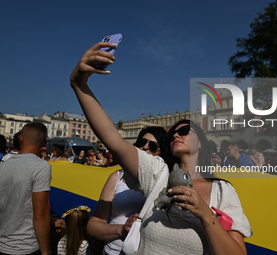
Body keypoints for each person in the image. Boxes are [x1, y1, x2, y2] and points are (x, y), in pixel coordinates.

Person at [70, 42, 251, 255]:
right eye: (173, 131)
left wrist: (205, 213)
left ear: (201, 141)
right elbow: (115, 141)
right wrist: (79, 84)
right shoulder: (158, 174)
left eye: (184, 130)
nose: (175, 133)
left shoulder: (223, 191)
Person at [87, 126, 168, 255]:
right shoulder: (117, 177)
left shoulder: (166, 182)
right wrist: (122, 230)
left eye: (152, 146)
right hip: (113, 252)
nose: (145, 147)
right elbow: (93, 226)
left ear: (162, 152)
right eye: (142, 142)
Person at [0, 123, 51, 255]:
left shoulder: (3, 165)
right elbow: (40, 215)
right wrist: (45, 251)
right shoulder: (41, 166)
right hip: (25, 246)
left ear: (20, 139)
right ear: (44, 143)